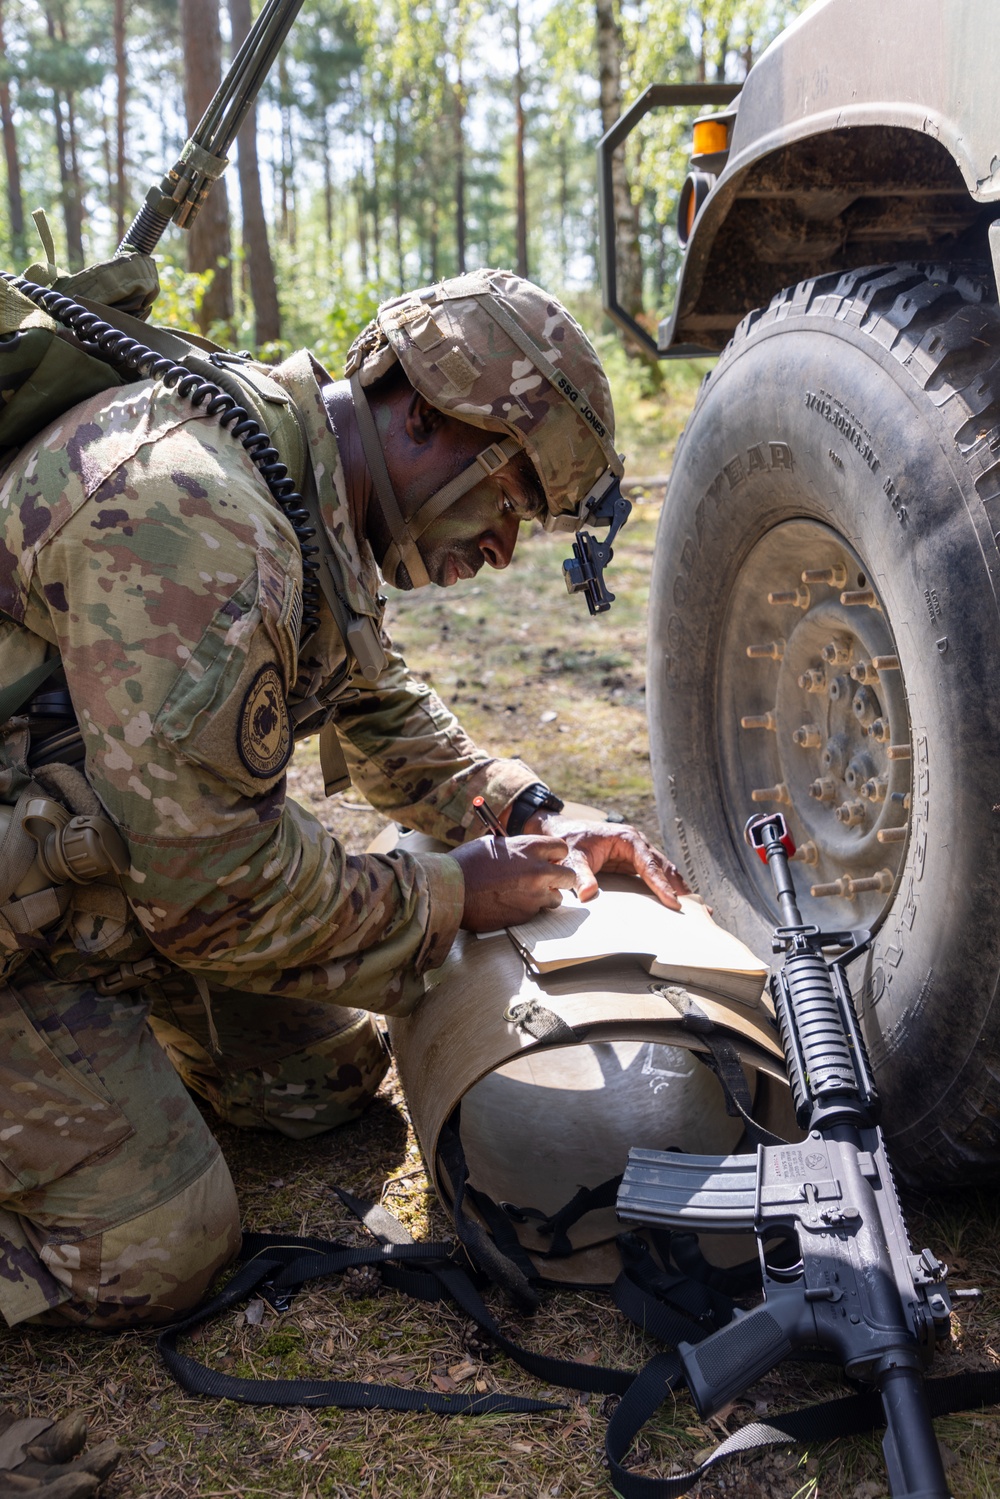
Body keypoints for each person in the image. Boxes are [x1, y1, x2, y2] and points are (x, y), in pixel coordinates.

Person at [0, 267, 686, 1330]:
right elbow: (221, 897)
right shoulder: (201, 518)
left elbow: (373, 695)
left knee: (317, 1082)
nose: (503, 548)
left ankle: (97, 1052)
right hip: (56, 915)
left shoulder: (293, 471)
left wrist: (527, 810)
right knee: (158, 1248)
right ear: (419, 413)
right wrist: (453, 892)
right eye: (507, 499)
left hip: (90, 888)